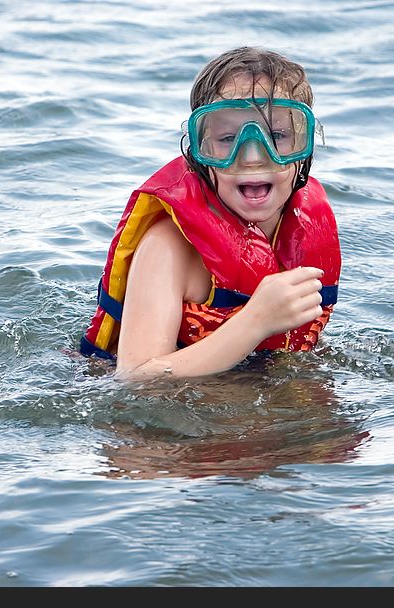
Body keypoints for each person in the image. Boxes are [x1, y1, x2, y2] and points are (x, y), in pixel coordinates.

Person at [81, 47, 341, 379]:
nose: (251, 156)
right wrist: (257, 320)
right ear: (199, 152)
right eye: (228, 138)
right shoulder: (168, 247)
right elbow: (136, 377)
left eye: (277, 136)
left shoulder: (304, 228)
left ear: (303, 148)